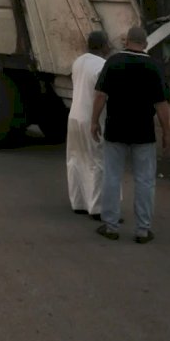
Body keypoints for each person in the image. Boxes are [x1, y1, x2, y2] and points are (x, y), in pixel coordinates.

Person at [90, 25, 170, 244]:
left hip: (115, 130)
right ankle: (143, 230)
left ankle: (110, 226)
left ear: (126, 41)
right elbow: (161, 105)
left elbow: (100, 96)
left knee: (112, 177)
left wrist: (94, 121)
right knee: (145, 181)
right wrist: (166, 132)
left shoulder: (113, 62)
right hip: (144, 134)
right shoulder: (153, 67)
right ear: (144, 44)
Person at [66, 30, 110, 217]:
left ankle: (78, 202)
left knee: (75, 159)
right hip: (93, 118)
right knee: (97, 161)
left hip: (74, 116)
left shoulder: (78, 62)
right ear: (104, 46)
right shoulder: (103, 65)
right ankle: (97, 208)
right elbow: (103, 94)